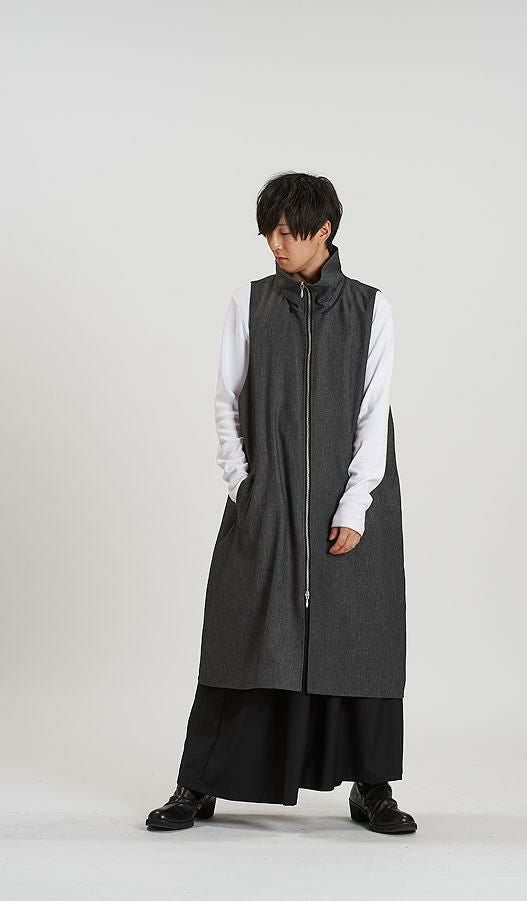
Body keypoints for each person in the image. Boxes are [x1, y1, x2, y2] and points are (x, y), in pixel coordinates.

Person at [146, 172, 417, 836]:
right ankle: (198, 784)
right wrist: (244, 485)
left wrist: (355, 505)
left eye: (288, 232)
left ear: (325, 231)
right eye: (269, 231)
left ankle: (371, 787)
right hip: (266, 502)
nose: (275, 243)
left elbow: (374, 413)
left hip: (351, 505)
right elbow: (226, 400)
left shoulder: (371, 308)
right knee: (242, 634)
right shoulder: (250, 302)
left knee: (359, 639)